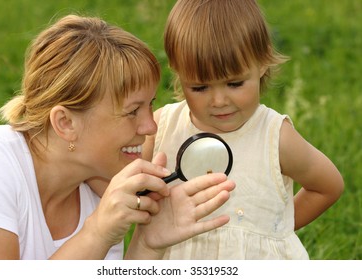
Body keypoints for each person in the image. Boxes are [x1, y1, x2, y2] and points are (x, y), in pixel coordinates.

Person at [0, 14, 235, 260]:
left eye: (149, 105)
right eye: (132, 111)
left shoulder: (100, 193)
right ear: (65, 123)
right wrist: (96, 232)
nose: (149, 127)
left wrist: (147, 244)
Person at [143, 0, 344, 259]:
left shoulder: (274, 137)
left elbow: (328, 186)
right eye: (200, 87)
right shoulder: (162, 129)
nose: (219, 101)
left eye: (234, 83)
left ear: (262, 64)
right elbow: (119, 185)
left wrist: (275, 231)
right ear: (178, 73)